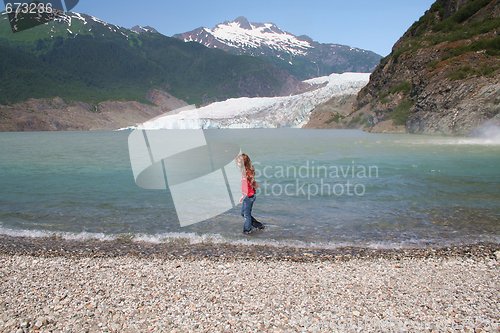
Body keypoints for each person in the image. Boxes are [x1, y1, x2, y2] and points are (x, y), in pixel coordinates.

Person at [236, 153, 264, 234]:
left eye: (238, 162)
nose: (237, 164)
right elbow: (249, 185)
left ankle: (247, 230)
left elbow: (246, 187)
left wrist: (243, 196)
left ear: (243, 163)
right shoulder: (246, 172)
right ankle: (258, 225)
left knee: (246, 214)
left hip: (248, 196)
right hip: (249, 195)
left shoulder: (246, 173)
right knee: (243, 213)